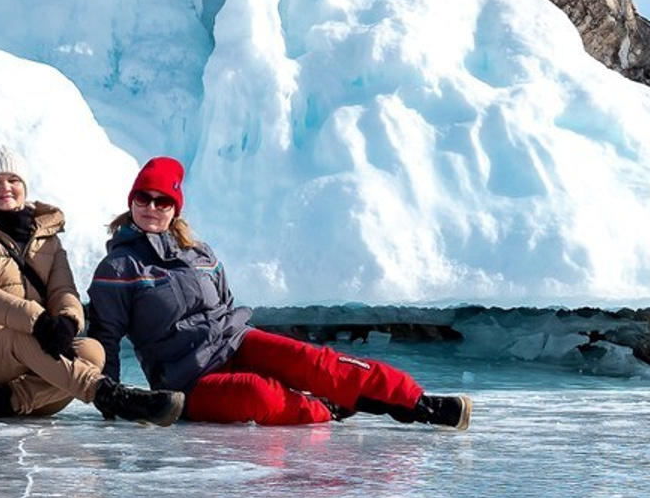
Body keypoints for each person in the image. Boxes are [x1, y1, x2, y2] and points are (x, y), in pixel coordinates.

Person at [86, 157, 472, 429]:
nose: (152, 208)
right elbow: (106, 336)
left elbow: (225, 305)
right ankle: (322, 409)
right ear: (131, 202)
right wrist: (111, 398)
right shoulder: (118, 269)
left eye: (162, 200)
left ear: (176, 207)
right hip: (187, 378)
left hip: (234, 342)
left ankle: (419, 404)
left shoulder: (199, 253)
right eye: (143, 199)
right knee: (259, 396)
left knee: (317, 364)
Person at [0, 145, 185, 424]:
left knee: (92, 352)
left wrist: (67, 321)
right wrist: (38, 320)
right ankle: (111, 396)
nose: (5, 188)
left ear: (25, 187)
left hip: (22, 365)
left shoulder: (47, 239)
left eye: (13, 180)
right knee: (20, 334)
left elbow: (63, 291)